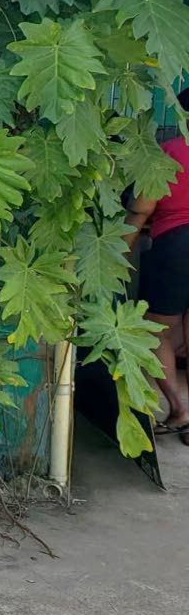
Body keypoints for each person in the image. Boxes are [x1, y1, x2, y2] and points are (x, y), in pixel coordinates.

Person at [125, 87, 189, 440]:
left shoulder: (167, 153)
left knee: (155, 329)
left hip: (177, 244)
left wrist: (119, 253)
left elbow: (141, 208)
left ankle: (179, 410)